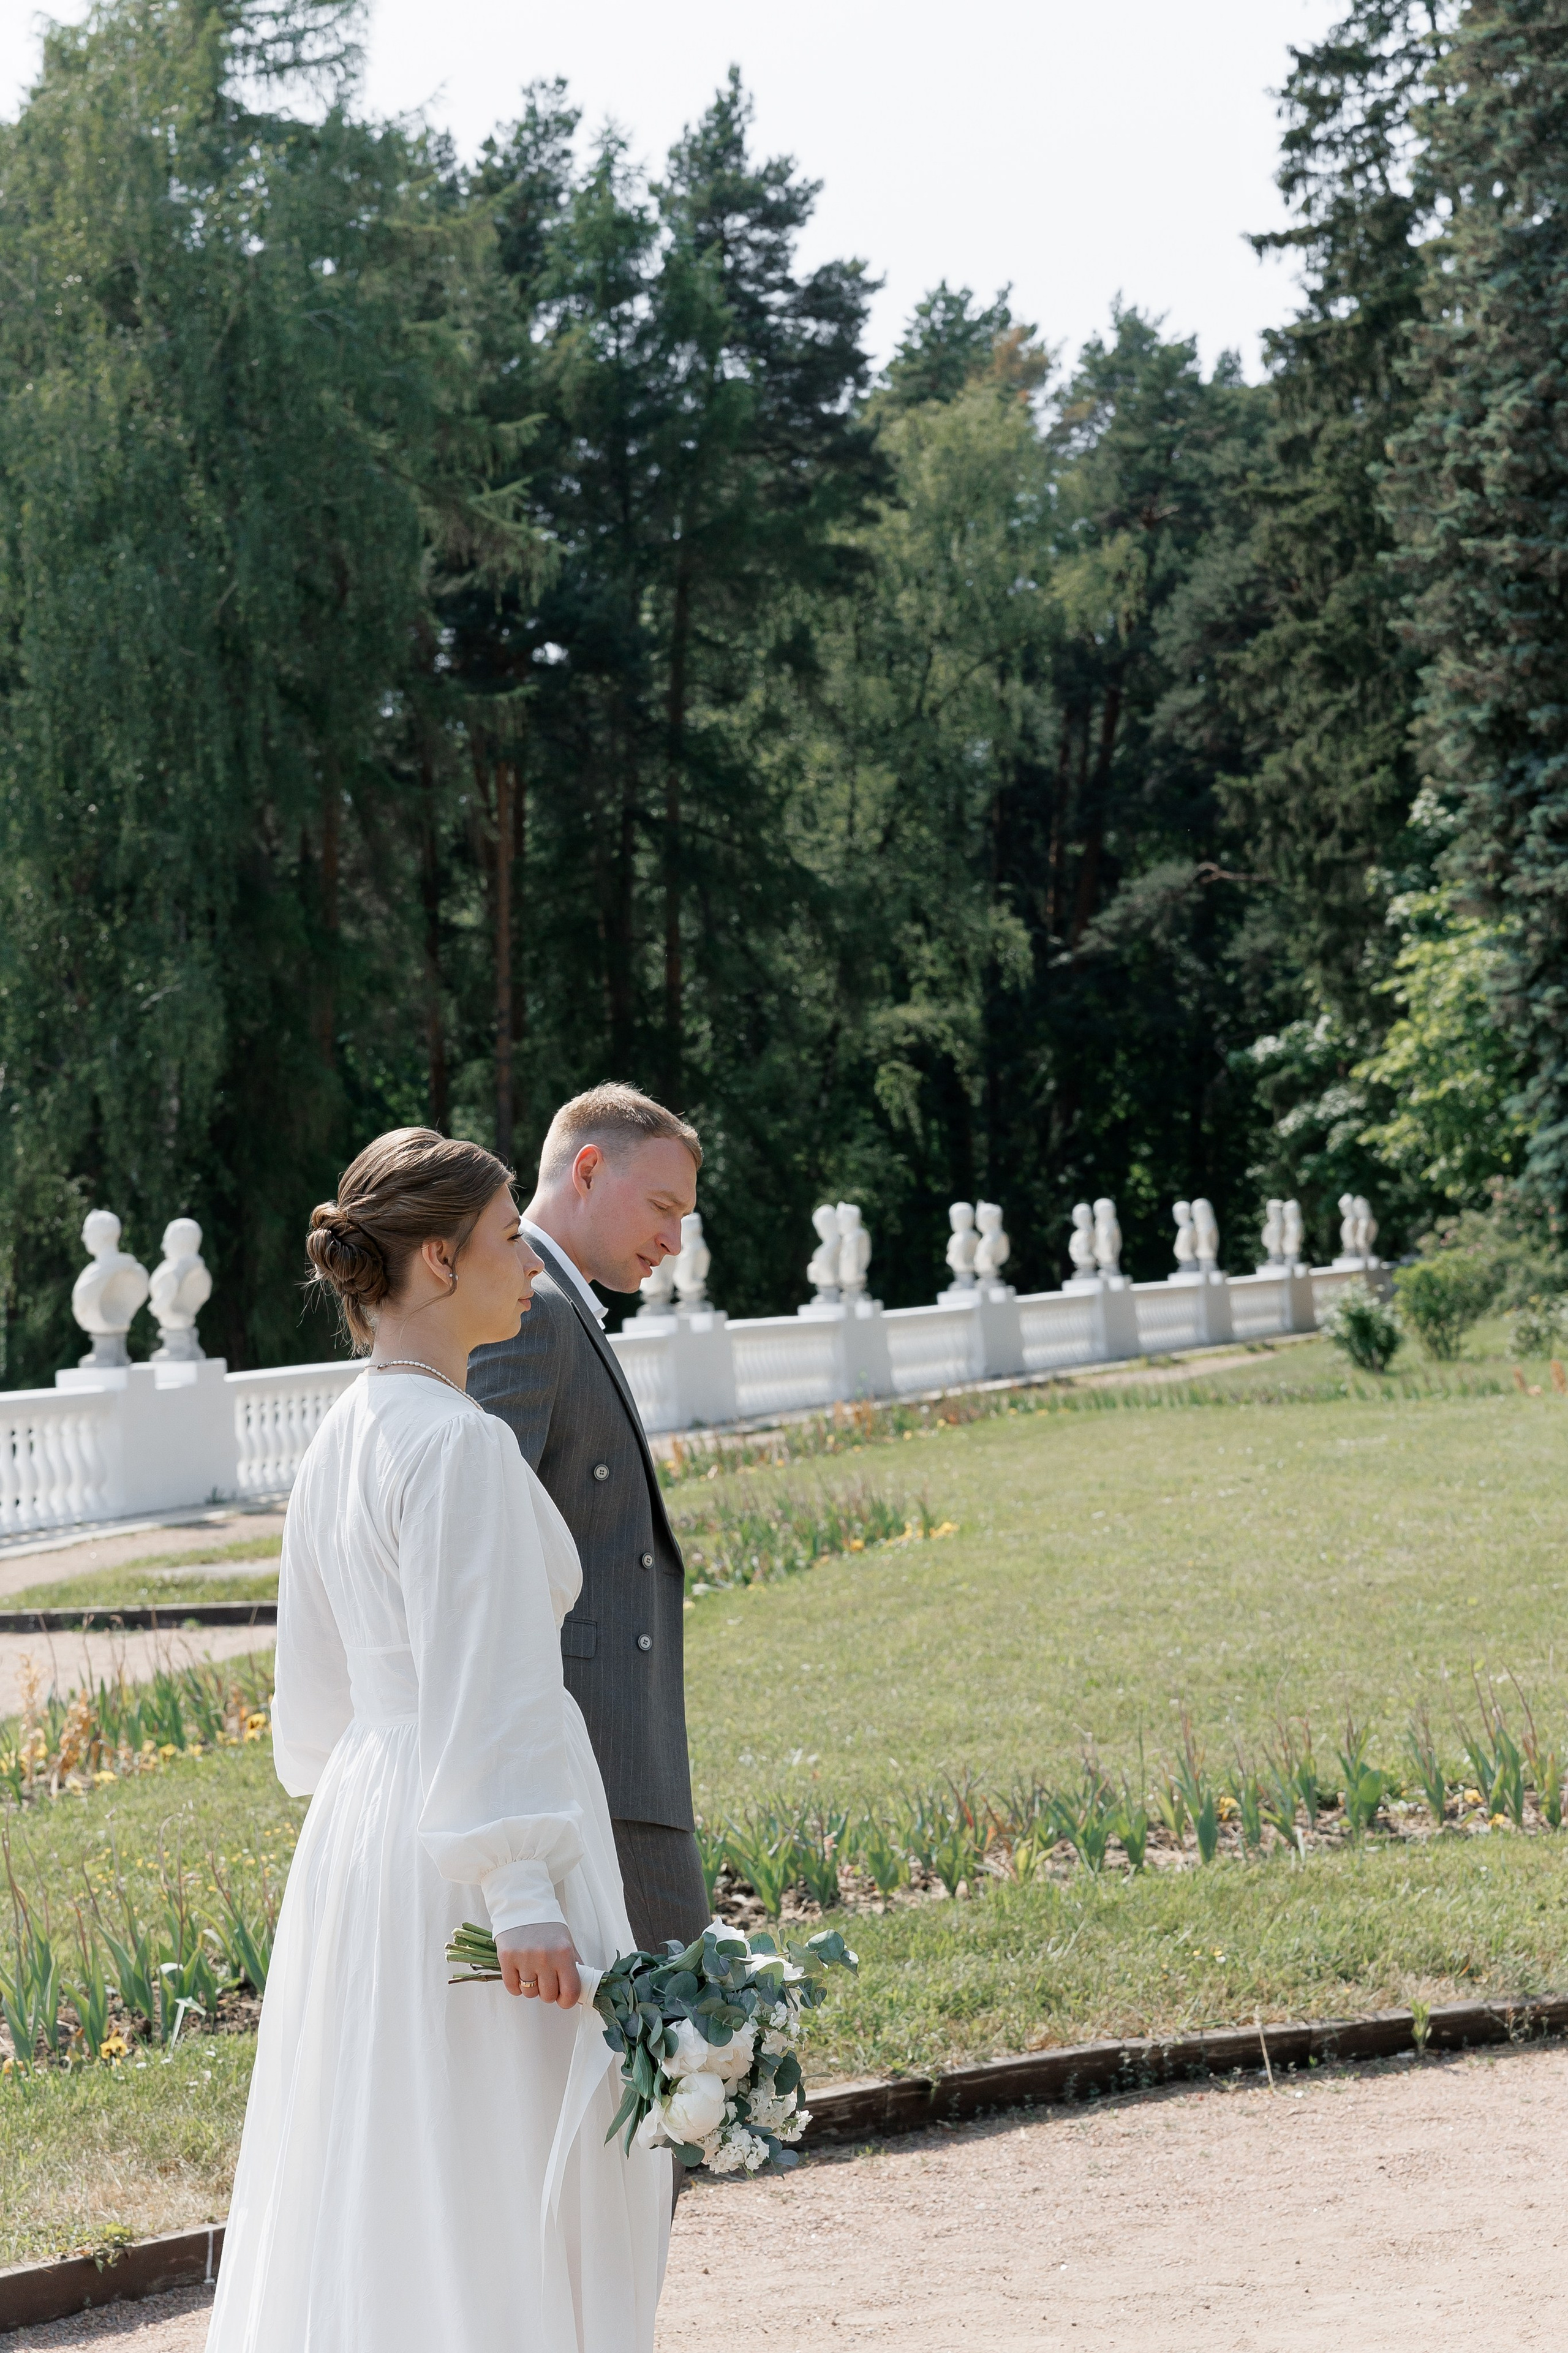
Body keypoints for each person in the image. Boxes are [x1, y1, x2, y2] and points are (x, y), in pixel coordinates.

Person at [206, 1129, 669, 2353]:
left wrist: (373, 1807)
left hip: (368, 1834)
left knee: (388, 2158)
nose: (527, 1261)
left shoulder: (340, 1437)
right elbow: (489, 1675)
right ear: (433, 1258)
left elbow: (310, 1708)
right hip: (474, 1853)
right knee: (498, 2159)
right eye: (508, 1235)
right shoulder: (458, 1446)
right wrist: (519, 1888)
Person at [468, 1084, 708, 1960]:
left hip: (614, 1748)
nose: (675, 1240)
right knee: (687, 2036)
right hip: (589, 1757)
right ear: (589, 1168)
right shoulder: (526, 1310)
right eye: (662, 1206)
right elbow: (486, 1544)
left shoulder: (555, 1305)